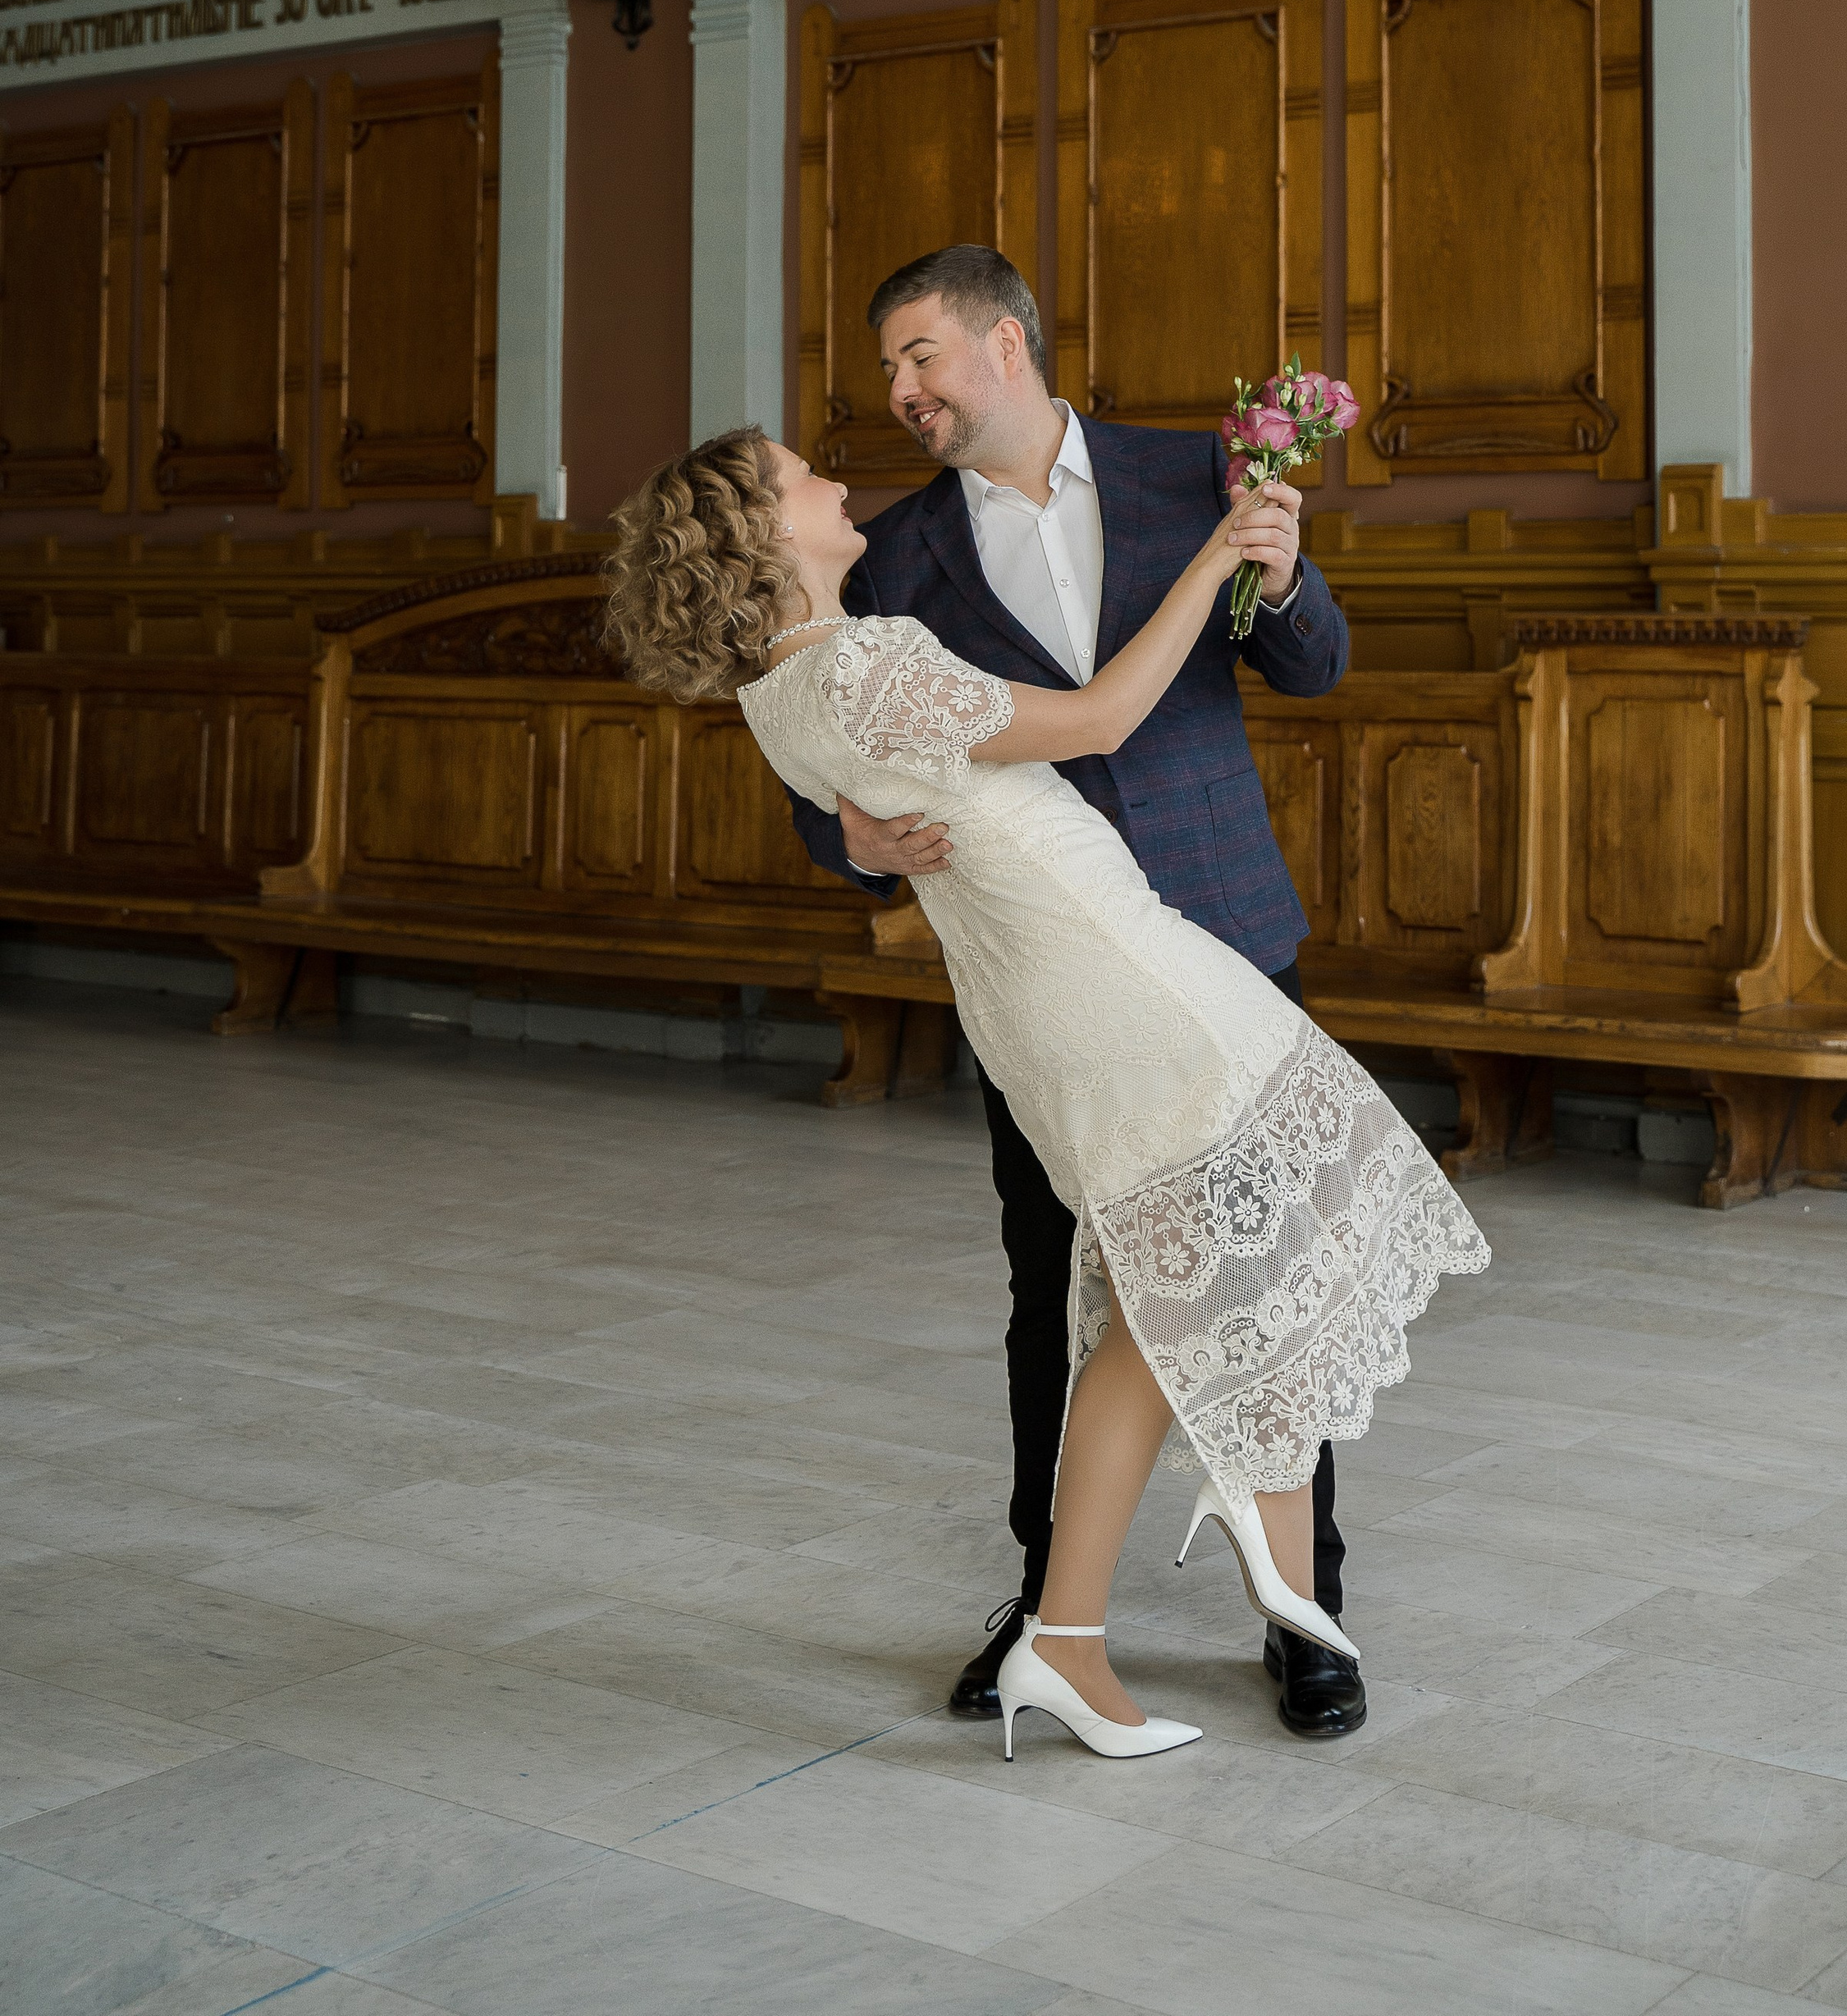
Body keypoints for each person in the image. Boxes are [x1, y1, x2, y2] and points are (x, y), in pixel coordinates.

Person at [604, 420, 1488, 1761]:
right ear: (764, 537)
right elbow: (1101, 721)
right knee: (1280, 1212)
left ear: (997, 344)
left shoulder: (776, 695)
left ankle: (1094, 1631)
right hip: (1118, 974)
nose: (841, 474)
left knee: (1196, 1268)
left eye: (916, 356)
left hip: (1064, 987)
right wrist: (1215, 556)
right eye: (801, 481)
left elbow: (902, 762)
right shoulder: (874, 648)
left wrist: (1254, 557)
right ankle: (1211, 1551)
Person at [802, 249, 1369, 1731]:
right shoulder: (893, 553)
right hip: (1048, 973)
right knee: (1047, 1280)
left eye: (920, 356)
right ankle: (1053, 1589)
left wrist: (1288, 571)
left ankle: (1303, 1607)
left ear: (1006, 343)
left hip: (1226, 926)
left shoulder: (1197, 475)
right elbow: (836, 749)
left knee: (1263, 1272)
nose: (902, 392)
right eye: (888, 373)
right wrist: (849, 838)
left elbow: (1313, 665)